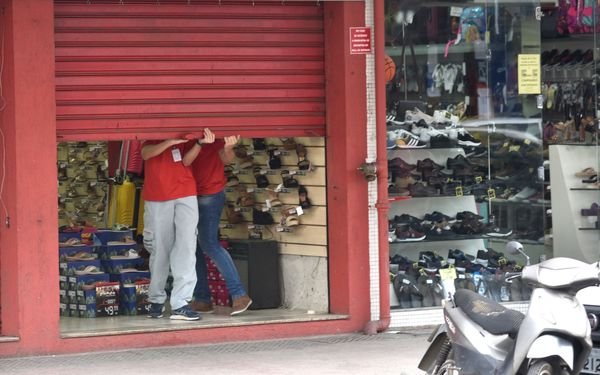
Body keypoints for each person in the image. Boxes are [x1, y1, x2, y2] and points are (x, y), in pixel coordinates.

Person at [141, 130, 215, 321]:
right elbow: (145, 153)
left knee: (186, 247)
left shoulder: (188, 132)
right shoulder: (151, 130)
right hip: (158, 195)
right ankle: (156, 300)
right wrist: (169, 141)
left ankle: (181, 303)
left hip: (186, 192)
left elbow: (186, 161)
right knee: (160, 248)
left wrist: (199, 144)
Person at [188, 128, 253, 315]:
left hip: (209, 192)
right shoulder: (188, 134)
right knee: (194, 247)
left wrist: (229, 147)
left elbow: (225, 158)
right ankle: (202, 298)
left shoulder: (212, 130)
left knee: (209, 244)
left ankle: (239, 294)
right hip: (189, 194)